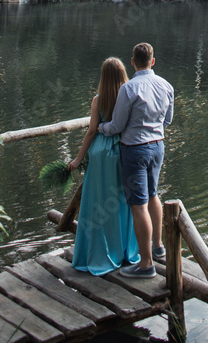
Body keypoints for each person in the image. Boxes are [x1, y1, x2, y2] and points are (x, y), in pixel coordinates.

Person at [98, 42, 174, 278]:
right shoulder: (166, 85)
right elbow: (168, 120)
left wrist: (100, 128)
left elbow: (117, 126)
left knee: (138, 205)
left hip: (135, 150)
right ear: (153, 61)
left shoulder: (128, 89)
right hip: (158, 147)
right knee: (153, 195)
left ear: (132, 62)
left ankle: (146, 265)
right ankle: (158, 246)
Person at [68, 57, 140, 274]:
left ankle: (97, 253)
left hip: (100, 155)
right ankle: (126, 251)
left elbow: (91, 131)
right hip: (122, 150)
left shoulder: (98, 100)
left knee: (98, 203)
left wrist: (78, 159)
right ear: (123, 74)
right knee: (122, 202)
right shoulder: (129, 95)